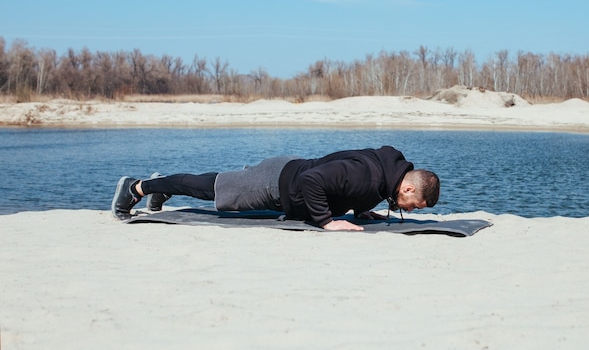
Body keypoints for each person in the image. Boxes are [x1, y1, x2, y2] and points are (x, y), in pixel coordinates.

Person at [111, 145, 440, 231]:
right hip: (275, 182)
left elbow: (351, 184)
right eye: (415, 207)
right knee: (212, 188)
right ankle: (139, 187)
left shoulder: (386, 174)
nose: (410, 211)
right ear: (409, 190)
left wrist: (358, 209)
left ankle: (161, 187)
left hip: (288, 173)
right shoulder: (368, 176)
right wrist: (327, 221)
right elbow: (315, 181)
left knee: (211, 182)